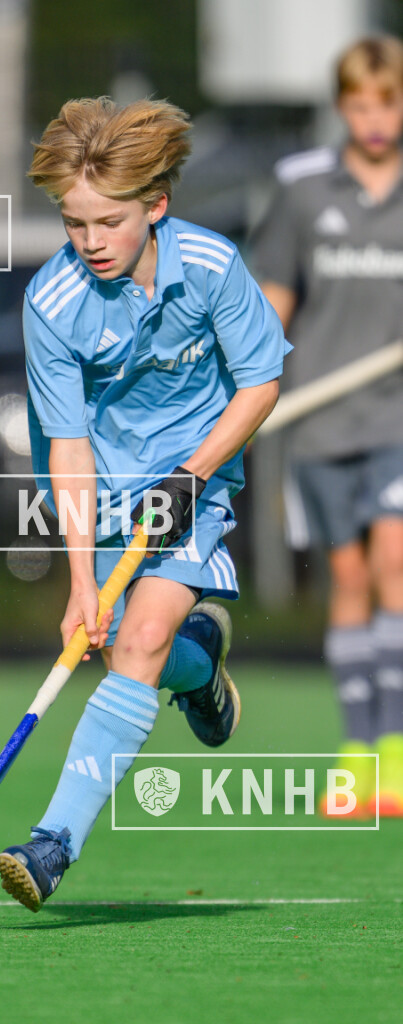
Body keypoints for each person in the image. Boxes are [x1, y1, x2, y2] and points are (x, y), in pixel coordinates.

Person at [0, 97, 289, 911]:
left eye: (108, 222)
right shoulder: (51, 304)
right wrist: (79, 583)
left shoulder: (212, 265)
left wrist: (191, 476)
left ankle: (52, 844)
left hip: (198, 474)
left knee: (142, 637)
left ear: (154, 206)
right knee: (129, 643)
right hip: (105, 486)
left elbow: (260, 383)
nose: (89, 241)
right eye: (72, 223)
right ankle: (202, 671)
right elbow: (68, 445)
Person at [252, 36, 403, 818]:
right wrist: (250, 387)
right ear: (341, 107)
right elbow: (272, 297)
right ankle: (355, 755)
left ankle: (395, 753)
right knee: (346, 580)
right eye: (358, 105)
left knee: (394, 564)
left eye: (387, 103)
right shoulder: (303, 188)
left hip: (396, 415)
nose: (373, 119)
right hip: (317, 413)